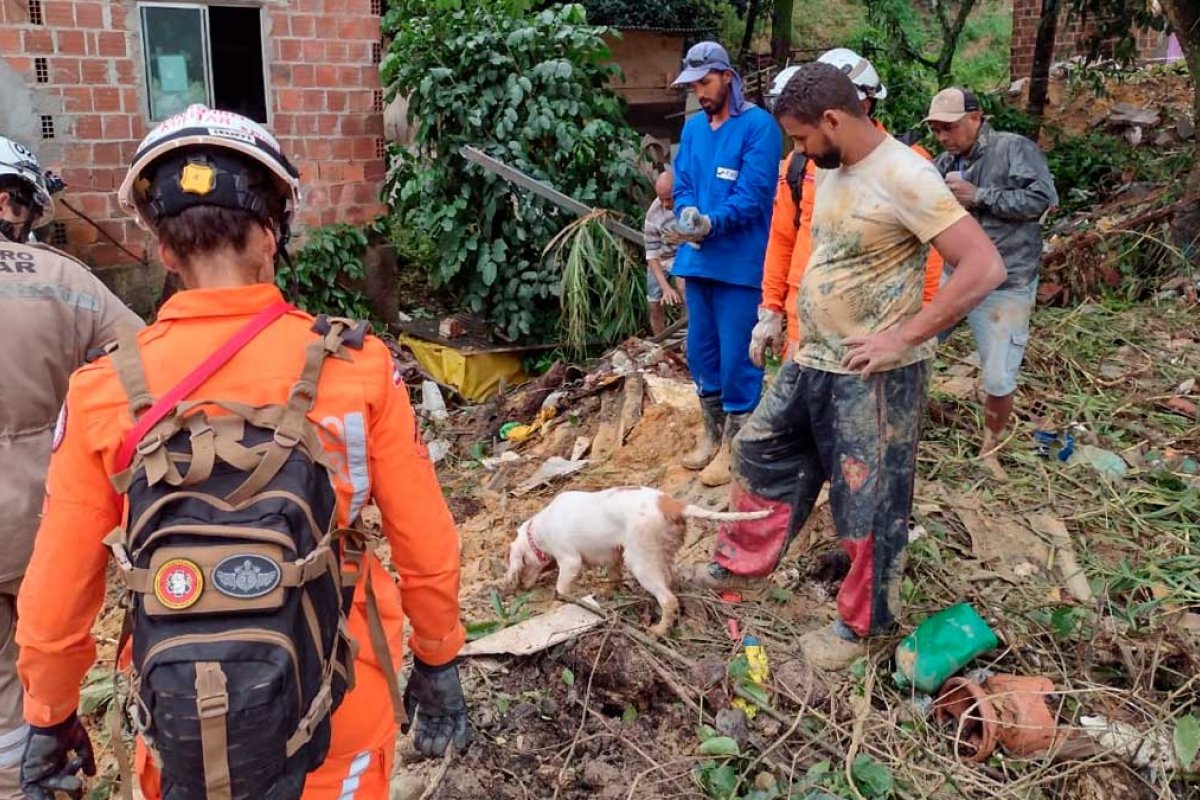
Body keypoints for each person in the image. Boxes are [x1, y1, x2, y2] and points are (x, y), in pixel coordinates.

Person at [15, 106, 468, 800]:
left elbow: (57, 586)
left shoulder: (103, 390)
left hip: (183, 723)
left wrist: (49, 716)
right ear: (271, 235)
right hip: (337, 703)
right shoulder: (356, 368)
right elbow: (424, 540)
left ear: (164, 251)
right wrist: (438, 661)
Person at [695, 63, 1005, 671]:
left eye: (804, 138)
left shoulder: (905, 173)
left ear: (834, 120)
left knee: (869, 499)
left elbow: (983, 266)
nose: (798, 150)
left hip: (874, 375)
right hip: (814, 358)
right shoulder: (829, 165)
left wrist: (904, 337)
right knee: (760, 451)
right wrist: (778, 311)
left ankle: (863, 625)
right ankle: (740, 565)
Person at [0, 135, 143, 800]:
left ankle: (18, 771)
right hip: (46, 516)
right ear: (12, 201)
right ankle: (49, 744)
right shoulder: (67, 283)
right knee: (51, 639)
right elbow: (148, 364)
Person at [751, 49, 945, 367]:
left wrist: (913, 329)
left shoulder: (907, 167)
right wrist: (770, 308)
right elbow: (783, 236)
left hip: (872, 334)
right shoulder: (802, 162)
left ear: (862, 105)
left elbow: (934, 255)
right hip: (804, 327)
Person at [925, 87, 1059, 481]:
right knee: (915, 346)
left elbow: (1042, 199)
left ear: (975, 117)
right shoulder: (945, 161)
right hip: (956, 276)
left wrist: (980, 195)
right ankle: (907, 421)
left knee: (999, 376)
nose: (943, 137)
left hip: (1007, 281)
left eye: (948, 128)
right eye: (935, 130)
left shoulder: (1013, 148)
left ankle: (990, 448)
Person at [668, 41, 782, 488]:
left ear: (727, 77)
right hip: (698, 262)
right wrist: (687, 214)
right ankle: (712, 433)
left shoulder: (758, 127)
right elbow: (683, 185)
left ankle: (737, 443)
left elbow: (754, 197)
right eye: (693, 84)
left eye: (705, 82)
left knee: (739, 355)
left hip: (739, 264)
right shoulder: (695, 130)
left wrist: (713, 223)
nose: (699, 91)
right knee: (701, 350)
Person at [643, 169, 682, 337]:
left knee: (687, 290)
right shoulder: (653, 214)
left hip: (684, 254)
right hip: (661, 258)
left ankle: (690, 338)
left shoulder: (688, 204)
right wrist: (666, 289)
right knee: (654, 304)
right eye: (661, 199)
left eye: (669, 198)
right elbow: (652, 255)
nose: (665, 204)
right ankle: (662, 342)